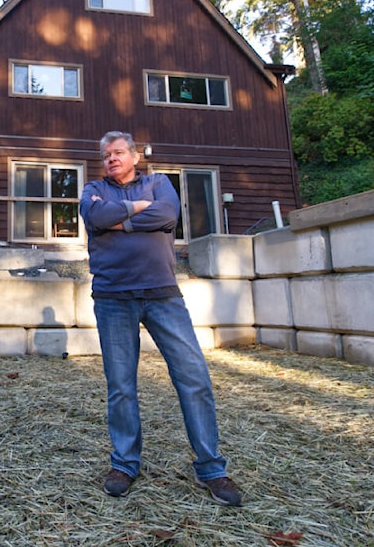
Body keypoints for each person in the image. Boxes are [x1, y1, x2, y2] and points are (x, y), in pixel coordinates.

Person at [79, 130, 242, 506]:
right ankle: (124, 464)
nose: (111, 159)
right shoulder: (92, 190)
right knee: (121, 386)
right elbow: (96, 215)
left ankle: (211, 468)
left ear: (135, 156)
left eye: (119, 152)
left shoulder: (159, 182)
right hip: (112, 297)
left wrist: (121, 220)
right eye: (106, 155)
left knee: (193, 377)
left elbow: (167, 212)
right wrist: (139, 209)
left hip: (163, 295)